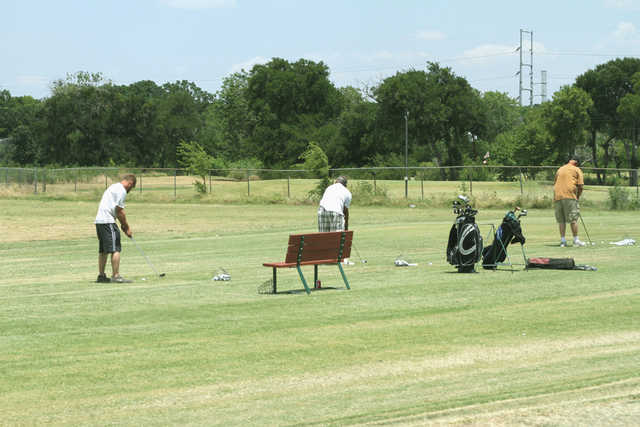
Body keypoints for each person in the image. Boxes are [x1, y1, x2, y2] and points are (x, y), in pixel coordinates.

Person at [95, 174, 136, 283]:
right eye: (131, 188)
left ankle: (101, 275)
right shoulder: (122, 190)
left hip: (99, 221)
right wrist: (126, 227)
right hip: (108, 221)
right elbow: (119, 211)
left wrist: (123, 225)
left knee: (104, 250)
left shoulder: (113, 186)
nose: (129, 191)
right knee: (115, 249)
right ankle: (116, 275)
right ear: (130, 184)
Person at [553, 157, 585, 247]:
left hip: (557, 196)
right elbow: (581, 186)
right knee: (573, 219)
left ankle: (563, 241)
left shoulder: (560, 169)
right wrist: (577, 197)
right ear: (577, 163)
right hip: (569, 196)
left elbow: (555, 182)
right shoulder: (577, 169)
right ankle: (576, 240)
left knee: (561, 220)